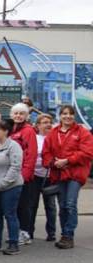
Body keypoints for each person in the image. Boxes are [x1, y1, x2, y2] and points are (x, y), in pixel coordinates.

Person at [41, 105, 92, 249]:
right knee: (62, 206)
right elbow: (46, 153)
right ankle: (64, 234)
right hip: (59, 175)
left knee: (70, 203)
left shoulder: (82, 132)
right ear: (60, 116)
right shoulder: (53, 133)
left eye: (70, 114)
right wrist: (53, 163)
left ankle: (68, 235)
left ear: (74, 116)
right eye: (64, 114)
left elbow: (87, 153)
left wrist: (68, 160)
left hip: (75, 174)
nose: (67, 116)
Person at [0, 119, 24, 255]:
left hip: (11, 186)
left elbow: (15, 167)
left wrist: (3, 184)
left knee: (10, 214)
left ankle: (13, 243)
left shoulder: (14, 146)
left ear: (6, 131)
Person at [7, 103, 38, 246]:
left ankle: (25, 232)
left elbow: (31, 154)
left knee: (23, 205)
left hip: (23, 175)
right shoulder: (10, 129)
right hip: (11, 174)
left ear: (26, 116)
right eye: (16, 113)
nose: (18, 116)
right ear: (11, 115)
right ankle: (16, 232)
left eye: (21, 113)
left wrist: (25, 175)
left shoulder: (28, 131)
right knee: (14, 205)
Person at [32, 114, 59, 242]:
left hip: (50, 176)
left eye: (49, 122)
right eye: (44, 122)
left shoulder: (55, 138)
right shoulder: (34, 138)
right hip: (35, 176)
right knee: (32, 205)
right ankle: (29, 231)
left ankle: (51, 232)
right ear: (38, 126)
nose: (48, 125)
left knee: (50, 206)